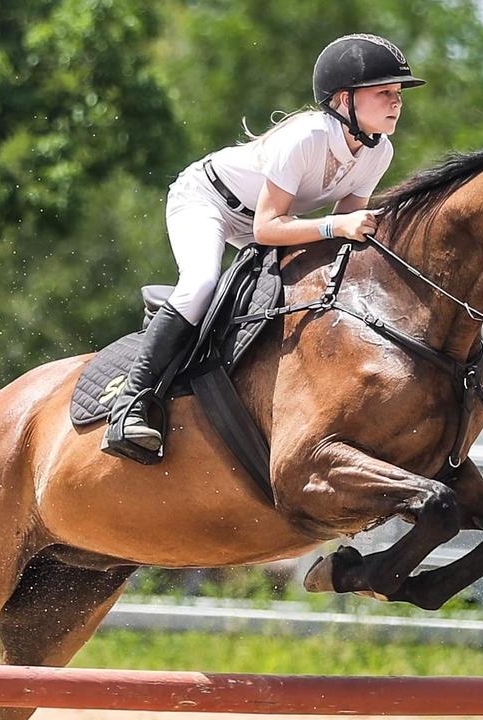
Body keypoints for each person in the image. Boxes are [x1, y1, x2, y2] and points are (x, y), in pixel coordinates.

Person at [103, 33, 425, 463]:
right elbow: (270, 228)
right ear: (344, 99)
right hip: (210, 201)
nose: (396, 101)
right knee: (200, 283)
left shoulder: (378, 152)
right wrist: (337, 225)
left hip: (267, 219)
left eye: (398, 93)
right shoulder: (308, 136)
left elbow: (344, 234)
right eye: (384, 91)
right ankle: (129, 403)